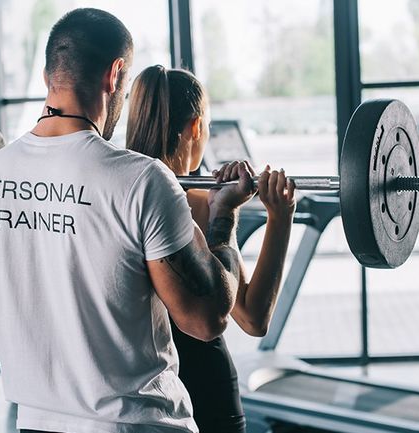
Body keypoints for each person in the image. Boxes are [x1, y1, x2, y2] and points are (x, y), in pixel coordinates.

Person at [0, 9, 256, 433]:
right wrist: (224, 214)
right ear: (115, 74)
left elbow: (10, 293)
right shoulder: (141, 180)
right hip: (137, 424)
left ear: (48, 78)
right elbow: (206, 319)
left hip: (37, 424)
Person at [126, 65, 297, 433]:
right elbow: (253, 317)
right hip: (205, 389)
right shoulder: (204, 205)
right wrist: (280, 216)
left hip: (135, 394)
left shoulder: (114, 196)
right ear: (196, 127)